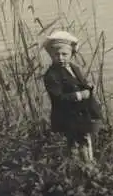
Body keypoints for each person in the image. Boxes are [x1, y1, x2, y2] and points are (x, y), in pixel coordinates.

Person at [42, 31, 102, 163]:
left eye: (64, 54)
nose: (61, 58)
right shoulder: (51, 75)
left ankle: (89, 165)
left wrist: (88, 87)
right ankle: (78, 168)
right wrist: (79, 95)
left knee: (86, 140)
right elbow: (58, 98)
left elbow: (81, 83)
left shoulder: (74, 68)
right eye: (56, 55)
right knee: (73, 144)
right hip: (67, 116)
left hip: (81, 114)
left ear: (71, 54)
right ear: (51, 55)